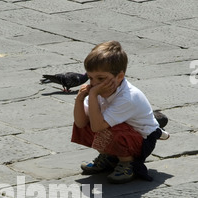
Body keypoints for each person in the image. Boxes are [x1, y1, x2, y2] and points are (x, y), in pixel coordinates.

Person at [72, 41, 169, 183]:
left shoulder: (127, 97)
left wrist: (92, 95)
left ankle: (127, 163)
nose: (94, 84)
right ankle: (108, 156)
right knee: (89, 119)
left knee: (111, 127)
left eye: (101, 78)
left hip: (142, 141)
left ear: (119, 77)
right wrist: (79, 100)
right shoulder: (98, 91)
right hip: (123, 134)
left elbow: (98, 127)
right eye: (90, 78)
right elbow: (80, 123)